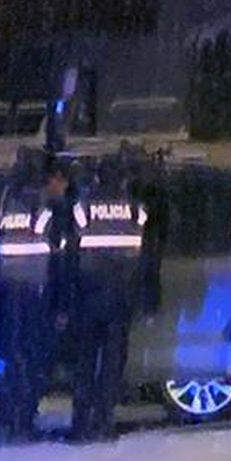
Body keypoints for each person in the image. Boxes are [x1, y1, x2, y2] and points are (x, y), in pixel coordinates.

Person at [0, 155, 72, 443]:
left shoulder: (6, 213)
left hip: (9, 294)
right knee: (34, 361)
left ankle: (9, 419)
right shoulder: (48, 215)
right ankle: (23, 422)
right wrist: (62, 306)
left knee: (16, 360)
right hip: (38, 296)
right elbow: (59, 263)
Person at [65, 158, 147, 442]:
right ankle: (103, 422)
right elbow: (145, 249)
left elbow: (71, 250)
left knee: (85, 360)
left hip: (90, 294)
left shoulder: (84, 207)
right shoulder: (135, 208)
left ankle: (80, 424)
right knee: (112, 362)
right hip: (121, 295)